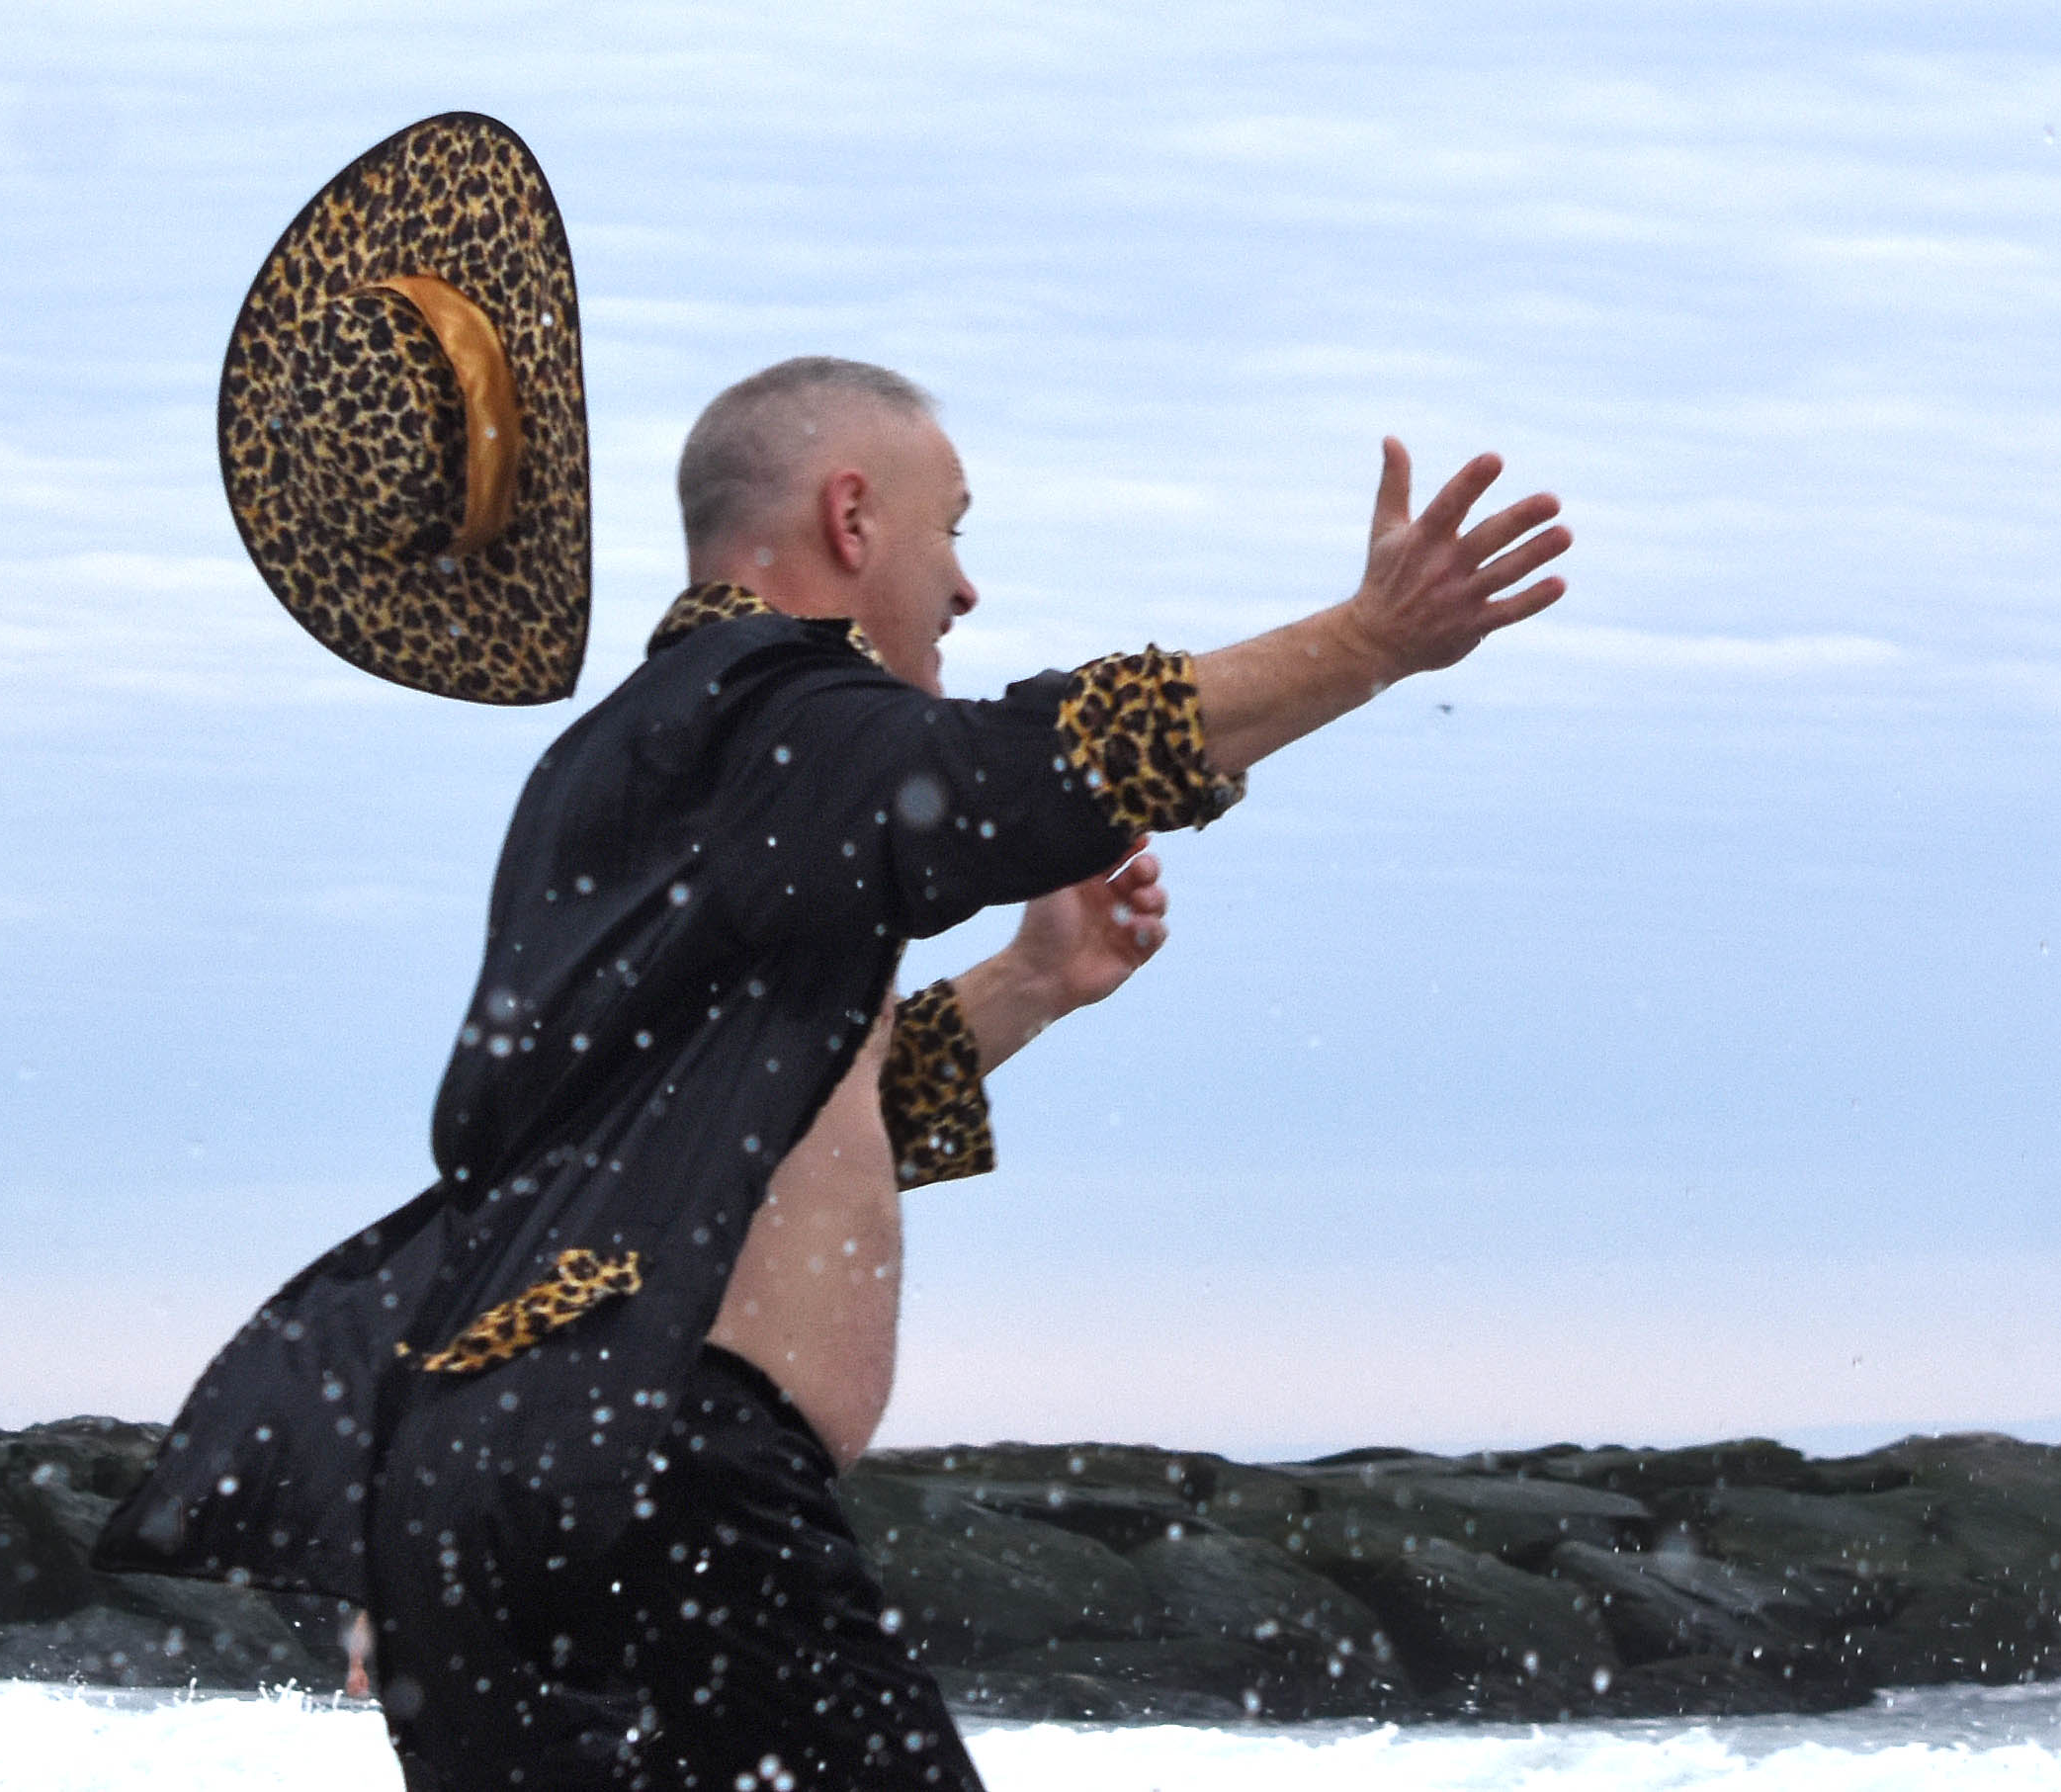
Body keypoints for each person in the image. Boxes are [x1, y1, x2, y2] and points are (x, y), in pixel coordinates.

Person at [93, 110, 1568, 1792]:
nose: (969, 585)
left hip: (491, 1476)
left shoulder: (636, 771)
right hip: (657, 1471)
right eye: (955, 527)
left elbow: (735, 1139)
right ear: (852, 517)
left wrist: (1029, 986)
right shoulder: (770, 709)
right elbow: (1030, 765)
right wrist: (1367, 644)